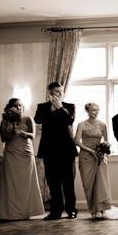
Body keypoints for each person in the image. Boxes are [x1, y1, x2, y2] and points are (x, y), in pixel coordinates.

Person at [34, 82, 78, 220]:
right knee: (53, 182)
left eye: (60, 91)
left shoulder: (69, 107)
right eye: (55, 92)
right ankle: (56, 211)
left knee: (68, 182)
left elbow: (69, 120)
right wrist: (51, 109)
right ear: (50, 94)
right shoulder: (42, 107)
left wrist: (59, 108)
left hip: (66, 150)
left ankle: (71, 210)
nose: (58, 94)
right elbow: (38, 119)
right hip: (49, 150)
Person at [0, 98, 44, 221]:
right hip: (11, 152)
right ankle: (13, 212)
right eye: (15, 106)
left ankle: (27, 211)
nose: (18, 108)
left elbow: (33, 136)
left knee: (27, 182)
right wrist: (12, 128)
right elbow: (3, 138)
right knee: (12, 183)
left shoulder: (28, 119)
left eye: (20, 105)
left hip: (26, 152)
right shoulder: (5, 120)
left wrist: (23, 132)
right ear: (10, 108)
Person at [74, 103, 112, 219]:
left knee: (101, 184)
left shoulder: (102, 125)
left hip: (99, 157)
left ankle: (102, 208)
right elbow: (76, 141)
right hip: (86, 157)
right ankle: (93, 209)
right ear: (88, 111)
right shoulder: (82, 124)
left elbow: (107, 141)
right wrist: (90, 151)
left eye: (97, 110)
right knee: (88, 184)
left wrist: (104, 149)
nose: (95, 112)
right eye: (93, 110)